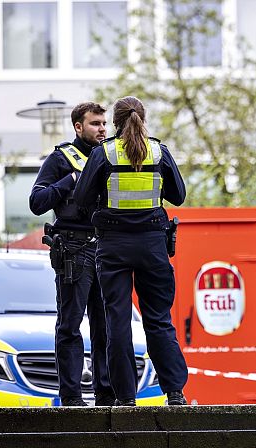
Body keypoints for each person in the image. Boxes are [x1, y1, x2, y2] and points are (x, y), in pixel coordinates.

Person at [73, 96, 188, 406]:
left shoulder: (103, 153)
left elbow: (81, 197)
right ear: (143, 118)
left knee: (118, 322)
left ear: (115, 122)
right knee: (158, 319)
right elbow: (178, 196)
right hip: (152, 245)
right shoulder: (159, 151)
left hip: (113, 246)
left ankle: (125, 398)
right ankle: (175, 392)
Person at [29, 102, 115, 406]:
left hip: (105, 249)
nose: (102, 129)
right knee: (70, 324)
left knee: (105, 326)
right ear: (78, 127)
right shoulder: (62, 158)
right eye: (95, 124)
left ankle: (107, 394)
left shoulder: (111, 156)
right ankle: (71, 398)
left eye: (104, 123)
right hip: (74, 249)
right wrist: (70, 181)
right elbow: (37, 201)